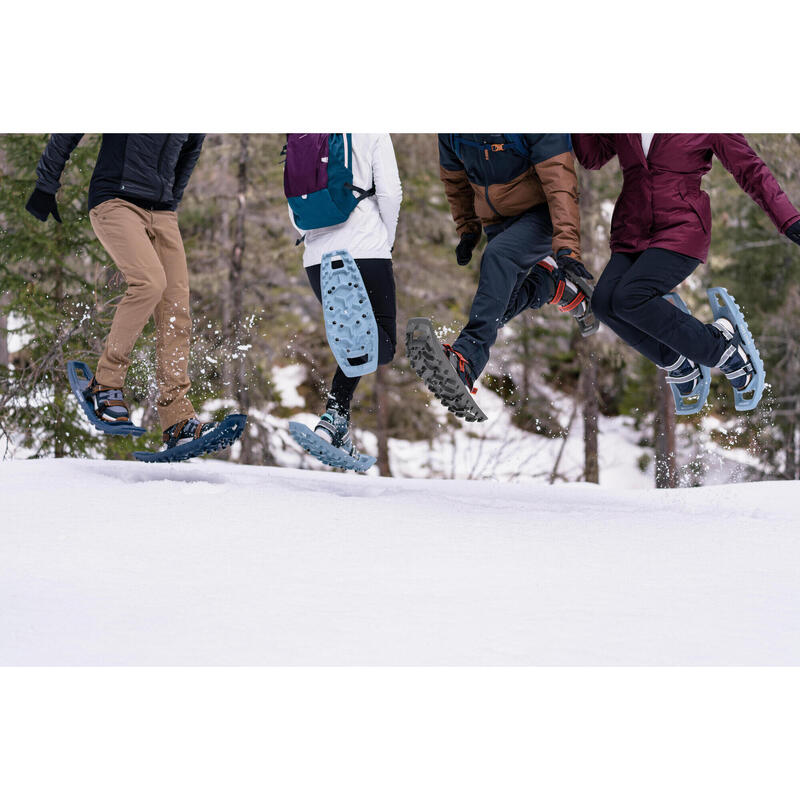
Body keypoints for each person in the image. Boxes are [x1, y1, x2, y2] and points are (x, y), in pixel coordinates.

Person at [26, 134, 229, 451]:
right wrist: (46, 183)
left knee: (176, 309)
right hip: (116, 201)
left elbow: (191, 149)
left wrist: (169, 201)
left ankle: (177, 420)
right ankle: (104, 384)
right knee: (149, 283)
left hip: (161, 211)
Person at [572, 134, 800, 399]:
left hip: (681, 232)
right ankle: (677, 361)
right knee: (603, 304)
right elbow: (592, 157)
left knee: (628, 297)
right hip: (631, 232)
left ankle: (724, 347)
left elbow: (749, 169)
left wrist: (788, 218)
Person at [434, 134, 596, 395]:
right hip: (498, 222)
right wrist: (467, 229)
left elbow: (560, 184)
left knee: (498, 257)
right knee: (500, 304)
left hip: (543, 215)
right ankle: (549, 285)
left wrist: (567, 247)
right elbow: (455, 180)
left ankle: (465, 361)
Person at [287, 133, 402, 461]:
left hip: (316, 254)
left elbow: (295, 197)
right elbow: (391, 192)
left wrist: (312, 237)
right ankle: (334, 417)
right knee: (380, 345)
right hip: (366, 247)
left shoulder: (307, 132)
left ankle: (333, 421)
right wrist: (386, 238)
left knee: (357, 337)